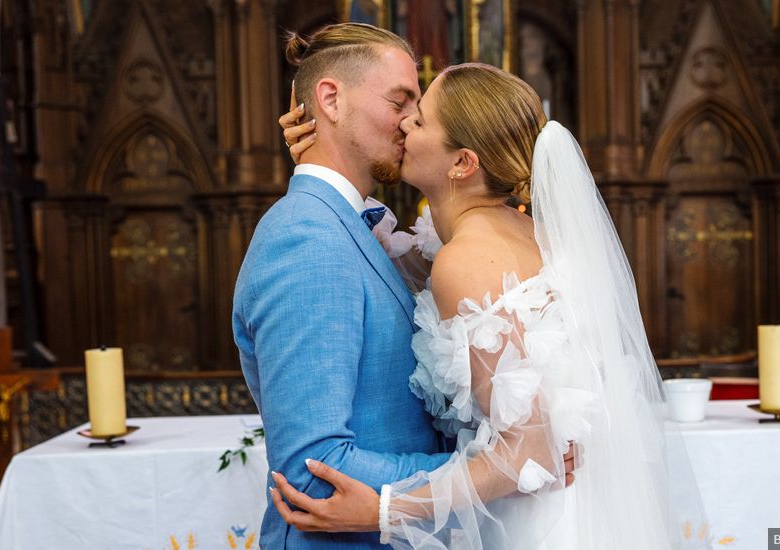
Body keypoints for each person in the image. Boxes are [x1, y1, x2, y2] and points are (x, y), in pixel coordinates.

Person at [271, 63, 709, 549]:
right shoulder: (501, 233)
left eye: (418, 121)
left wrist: (385, 508)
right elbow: (381, 262)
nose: (403, 123)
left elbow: (528, 449)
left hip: (536, 521)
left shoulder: (467, 259)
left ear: (462, 163)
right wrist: (324, 157)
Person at [234, 22, 579, 549]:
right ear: (330, 99)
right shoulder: (305, 239)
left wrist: (519, 456)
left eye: (419, 113)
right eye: (401, 102)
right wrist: (505, 467)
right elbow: (313, 470)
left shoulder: (355, 229)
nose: (409, 124)